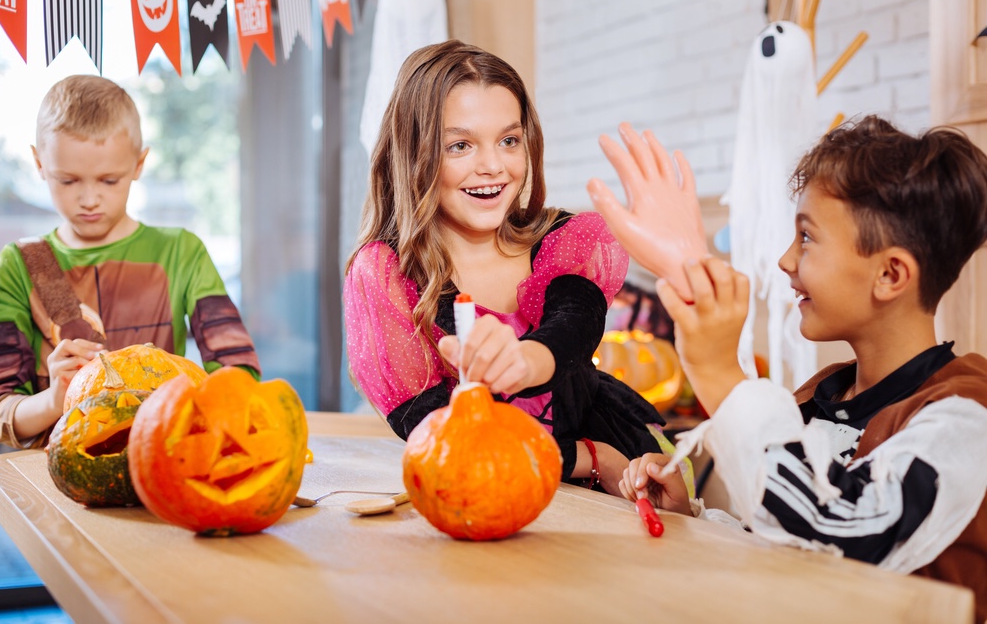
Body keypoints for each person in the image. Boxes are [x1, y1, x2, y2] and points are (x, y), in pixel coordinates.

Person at [589, 116, 987, 617]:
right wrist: (690, 517)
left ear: (890, 274)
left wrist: (724, 378)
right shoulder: (822, 395)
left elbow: (844, 535)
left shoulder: (965, 416)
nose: (784, 260)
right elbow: (785, 550)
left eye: (806, 238)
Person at [343, 40, 667, 494]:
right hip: (493, 490)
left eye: (509, 141)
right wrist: (594, 458)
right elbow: (439, 430)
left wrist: (523, 361)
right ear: (414, 153)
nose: (493, 166)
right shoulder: (385, 275)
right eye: (460, 145)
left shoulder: (565, 240)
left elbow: (573, 327)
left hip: (619, 482)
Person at [0, 75, 260, 449]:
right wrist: (54, 399)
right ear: (38, 163)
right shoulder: (19, 266)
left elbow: (237, 373)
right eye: (68, 181)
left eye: (108, 180)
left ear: (139, 163)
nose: (89, 199)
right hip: (51, 483)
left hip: (165, 463)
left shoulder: (181, 252)